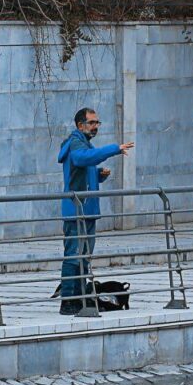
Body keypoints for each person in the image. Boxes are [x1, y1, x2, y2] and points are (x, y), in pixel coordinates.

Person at [58, 108, 134, 315]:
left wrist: (100, 175)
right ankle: (68, 301)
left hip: (87, 210)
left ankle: (79, 297)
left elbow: (85, 168)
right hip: (76, 211)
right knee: (74, 256)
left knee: (84, 256)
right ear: (80, 125)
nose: (95, 126)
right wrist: (114, 149)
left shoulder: (84, 143)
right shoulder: (75, 143)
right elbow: (83, 159)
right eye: (92, 122)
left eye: (97, 123)